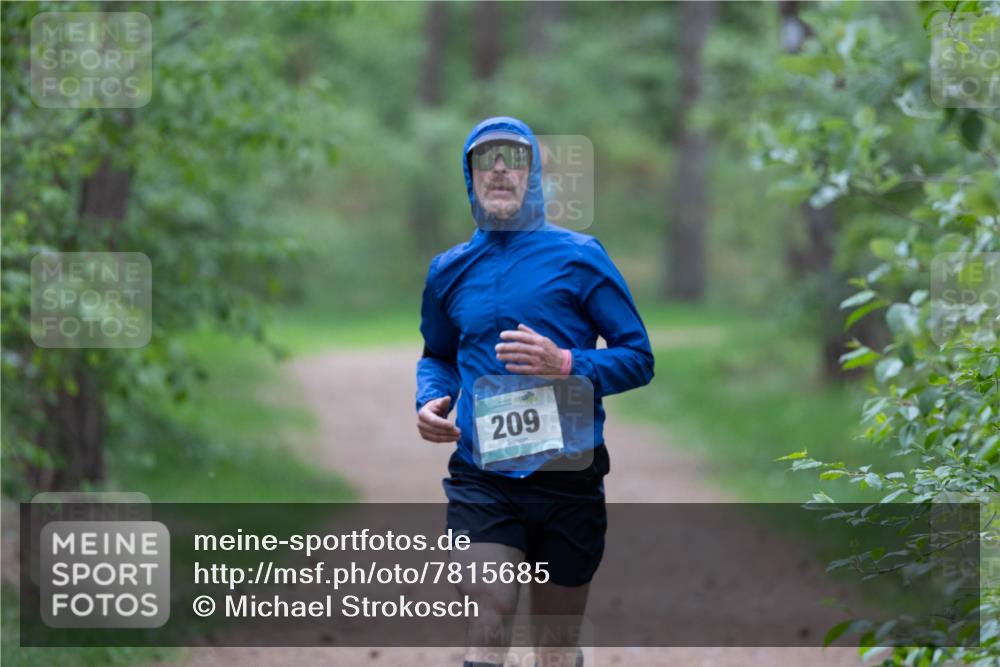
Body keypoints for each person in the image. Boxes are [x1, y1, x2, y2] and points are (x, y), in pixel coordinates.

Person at [415, 116, 654, 667]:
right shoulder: (448, 271)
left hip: (569, 475)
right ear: (469, 178)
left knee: (554, 646)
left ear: (534, 176)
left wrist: (567, 362)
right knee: (489, 613)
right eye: (485, 159)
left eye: (514, 159)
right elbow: (438, 355)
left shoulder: (579, 256)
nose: (499, 170)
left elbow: (639, 358)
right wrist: (429, 399)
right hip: (483, 476)